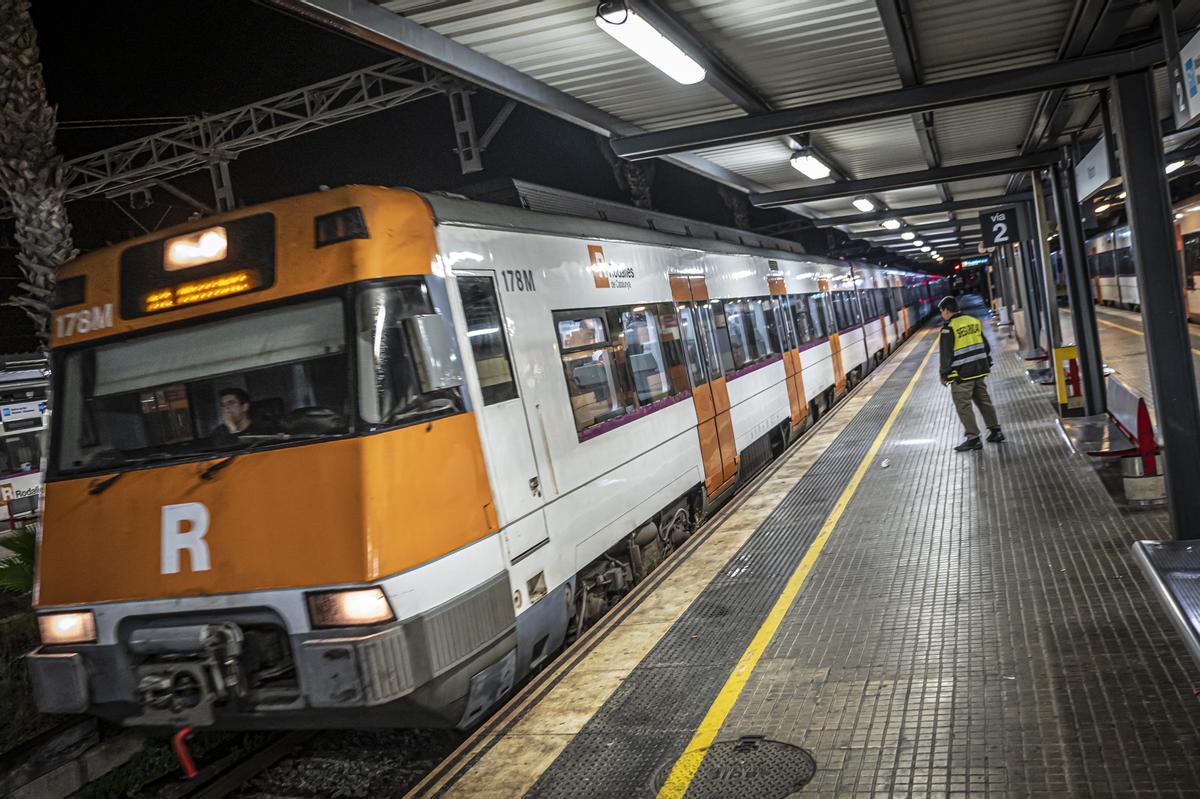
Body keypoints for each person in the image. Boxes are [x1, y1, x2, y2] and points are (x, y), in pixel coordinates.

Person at [938, 296, 1004, 451]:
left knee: (963, 405)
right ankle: (996, 431)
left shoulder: (949, 329)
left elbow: (945, 356)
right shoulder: (973, 321)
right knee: (983, 401)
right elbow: (985, 346)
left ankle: (973, 438)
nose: (942, 314)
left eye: (942, 311)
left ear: (946, 310)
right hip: (979, 371)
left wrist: (944, 375)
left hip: (961, 376)